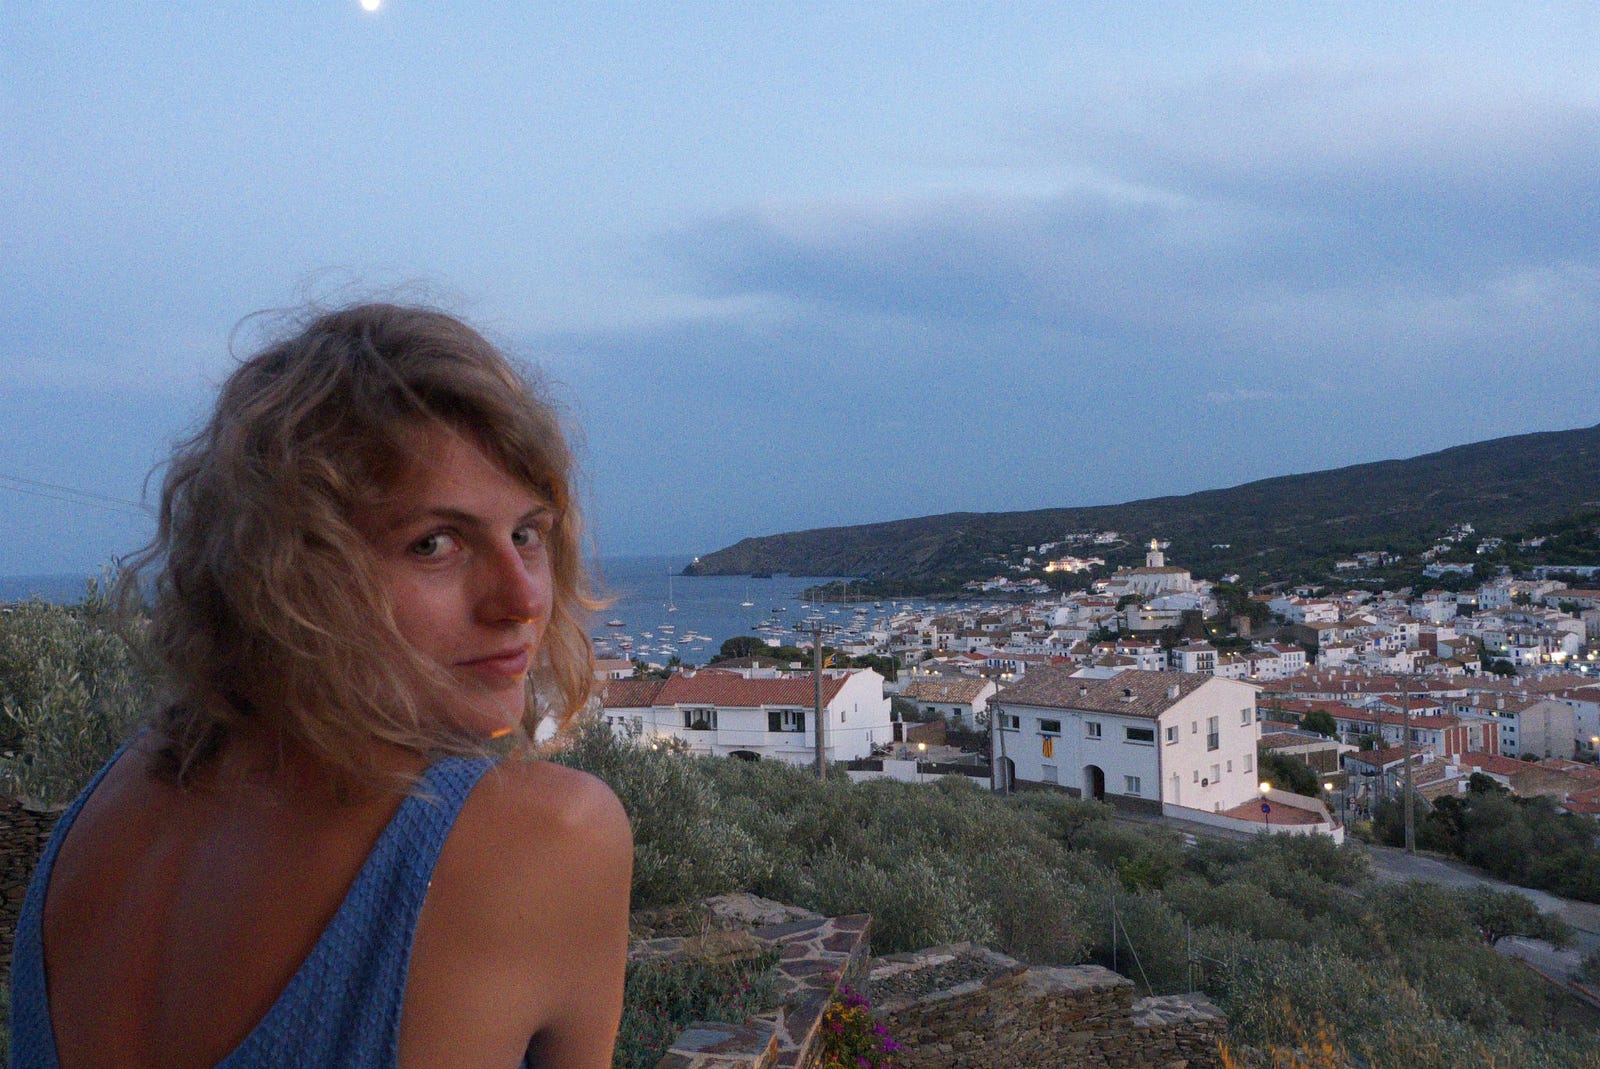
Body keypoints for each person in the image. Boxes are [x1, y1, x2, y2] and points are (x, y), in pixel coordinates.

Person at [9, 304, 634, 1068]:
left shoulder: (106, 810)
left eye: (527, 533)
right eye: (434, 543)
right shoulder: (548, 836)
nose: (523, 599)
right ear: (284, 573)